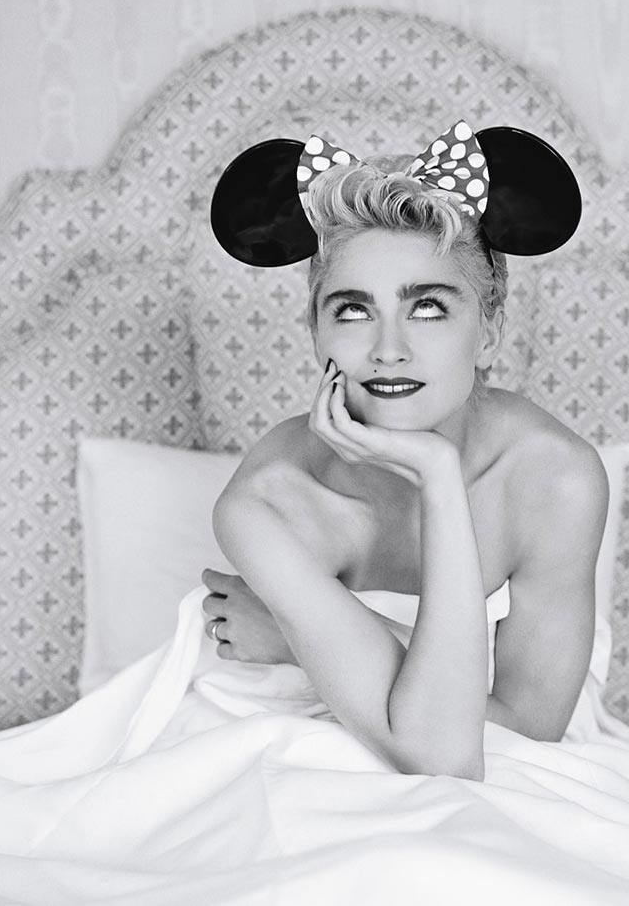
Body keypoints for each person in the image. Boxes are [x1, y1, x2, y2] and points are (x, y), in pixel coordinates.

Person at [203, 119, 605, 781]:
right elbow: (439, 753)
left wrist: (435, 473)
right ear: (316, 332)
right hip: (262, 743)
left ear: (490, 329)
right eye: (353, 310)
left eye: (427, 308)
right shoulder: (265, 502)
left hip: (509, 767)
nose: (389, 349)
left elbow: (524, 734)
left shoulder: (555, 478)